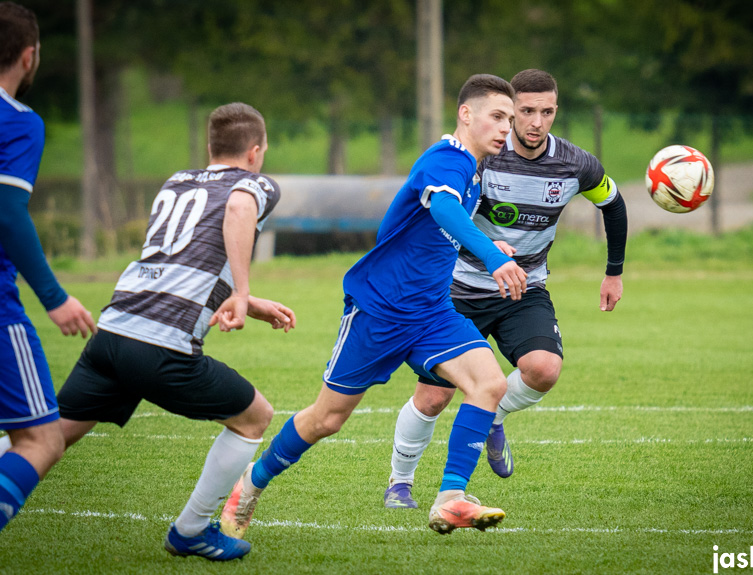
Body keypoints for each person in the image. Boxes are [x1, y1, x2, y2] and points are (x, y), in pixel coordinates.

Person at [220, 74, 526, 538]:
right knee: (327, 419)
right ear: (467, 114)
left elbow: (431, 234)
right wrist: (488, 256)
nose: (507, 127)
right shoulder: (446, 160)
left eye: (510, 118)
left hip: (429, 314)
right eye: (498, 116)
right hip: (378, 310)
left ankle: (451, 499)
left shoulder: (471, 172)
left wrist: (484, 245)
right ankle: (247, 487)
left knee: (489, 383)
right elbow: (443, 211)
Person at [53, 102, 294, 561]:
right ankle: (191, 530)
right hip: (162, 343)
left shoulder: (176, 181)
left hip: (113, 331)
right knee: (253, 418)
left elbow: (182, 261)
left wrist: (251, 302)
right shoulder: (254, 182)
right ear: (256, 152)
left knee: (46, 439)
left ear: (209, 147)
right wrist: (242, 292)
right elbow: (240, 207)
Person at [384, 69, 628, 508]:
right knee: (434, 396)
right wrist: (488, 253)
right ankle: (400, 483)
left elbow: (613, 203)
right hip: (459, 289)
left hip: (524, 289)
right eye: (526, 111)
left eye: (547, 112)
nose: (536, 122)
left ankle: (492, 411)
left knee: (544, 369)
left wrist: (614, 271)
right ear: (509, 112)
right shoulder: (482, 156)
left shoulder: (576, 163)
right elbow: (446, 209)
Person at [0, 1, 96, 533]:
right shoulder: (17, 122)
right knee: (41, 439)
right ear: (29, 55)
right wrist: (54, 297)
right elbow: (7, 212)